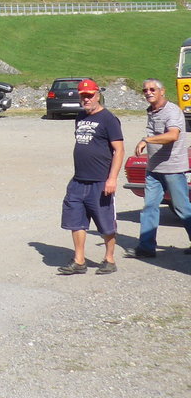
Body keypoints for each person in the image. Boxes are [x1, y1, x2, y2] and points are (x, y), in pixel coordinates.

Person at [58, 78, 124, 275]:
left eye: (89, 95)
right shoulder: (80, 117)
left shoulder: (109, 119)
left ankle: (109, 259)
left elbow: (118, 150)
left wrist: (112, 179)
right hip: (79, 180)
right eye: (83, 96)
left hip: (101, 181)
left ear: (97, 95)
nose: (86, 99)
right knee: (75, 220)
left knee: (105, 223)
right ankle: (79, 260)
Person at [127, 78, 191, 258]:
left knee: (183, 209)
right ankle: (146, 247)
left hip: (172, 168)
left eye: (152, 89)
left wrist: (146, 140)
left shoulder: (172, 111)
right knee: (149, 207)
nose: (148, 92)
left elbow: (172, 135)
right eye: (145, 90)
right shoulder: (152, 111)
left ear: (162, 91)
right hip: (154, 168)